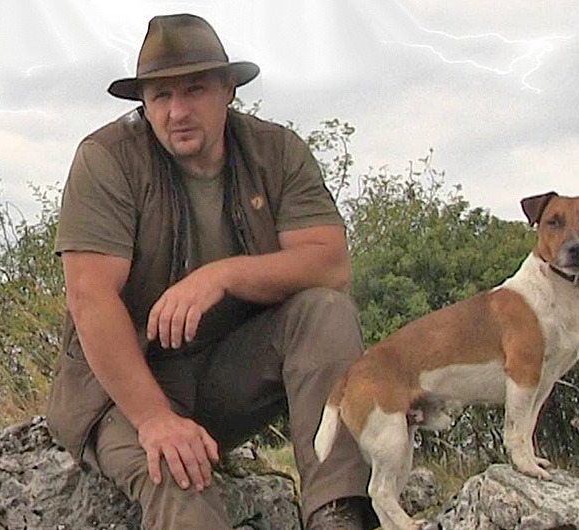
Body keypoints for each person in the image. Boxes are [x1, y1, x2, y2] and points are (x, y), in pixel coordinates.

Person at [45, 14, 376, 530]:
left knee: (325, 313)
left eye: (195, 90)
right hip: (124, 389)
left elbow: (330, 265)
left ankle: (338, 511)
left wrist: (222, 275)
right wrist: (155, 419)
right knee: (177, 473)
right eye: (161, 95)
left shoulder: (276, 151)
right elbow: (90, 299)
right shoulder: (106, 159)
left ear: (229, 91)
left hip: (227, 371)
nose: (177, 111)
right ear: (144, 103)